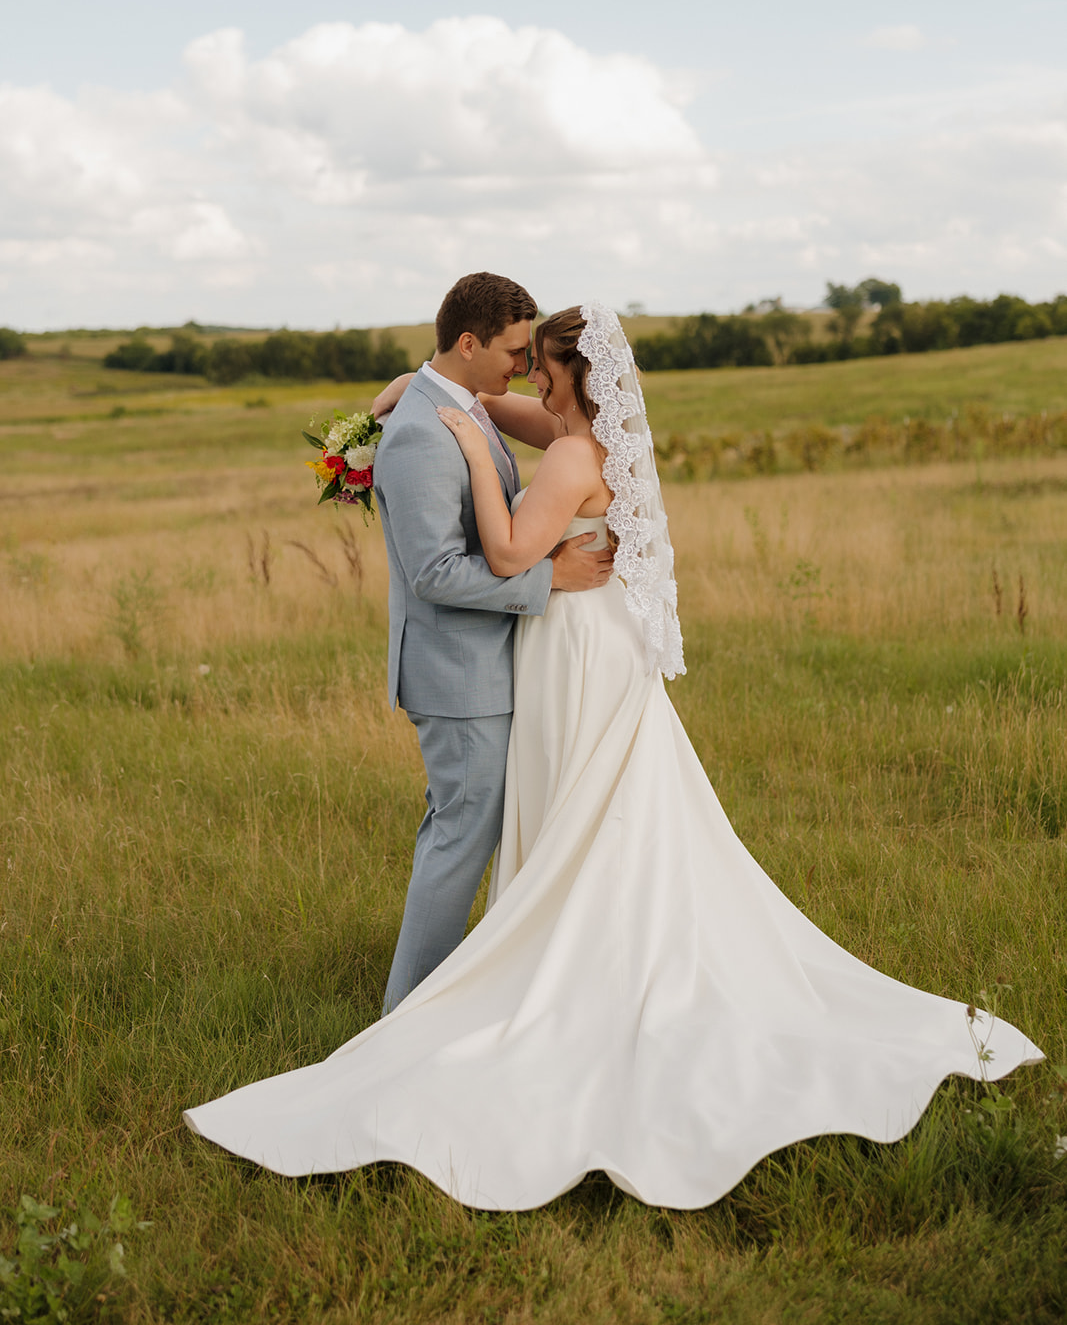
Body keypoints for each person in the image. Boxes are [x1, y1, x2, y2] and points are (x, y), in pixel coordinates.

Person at [183, 302, 1042, 1209]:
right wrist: (408, 392)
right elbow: (488, 406)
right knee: (598, 808)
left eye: (539, 365)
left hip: (574, 645)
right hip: (600, 644)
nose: (526, 379)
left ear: (573, 374)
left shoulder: (566, 455)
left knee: (575, 807)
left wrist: (477, 464)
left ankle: (559, 965)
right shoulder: (589, 438)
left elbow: (514, 546)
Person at [365, 272, 613, 1013]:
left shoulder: (461, 403)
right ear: (468, 343)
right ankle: (405, 1013)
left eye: (533, 356)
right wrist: (550, 581)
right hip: (456, 673)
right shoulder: (417, 435)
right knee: (461, 838)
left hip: (487, 665)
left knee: (459, 830)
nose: (520, 366)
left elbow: (494, 407)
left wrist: (418, 375)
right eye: (511, 350)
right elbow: (434, 572)